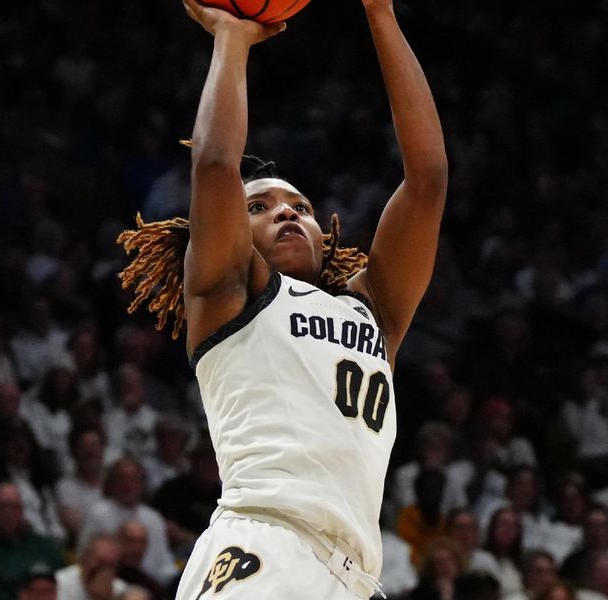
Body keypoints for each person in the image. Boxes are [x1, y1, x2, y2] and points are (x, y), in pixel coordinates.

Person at [117, 0, 447, 596]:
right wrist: (231, 40)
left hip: (355, 576)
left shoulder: (374, 310)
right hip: (263, 547)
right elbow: (215, 164)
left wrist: (381, 14)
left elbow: (428, 179)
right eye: (259, 208)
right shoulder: (226, 295)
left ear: (326, 234)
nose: (287, 214)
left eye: (301, 207)